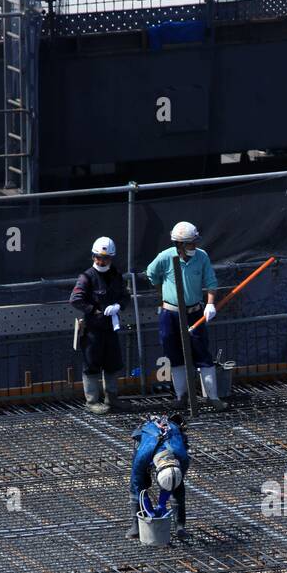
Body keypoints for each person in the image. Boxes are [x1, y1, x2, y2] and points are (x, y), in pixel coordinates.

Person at [145, 221, 225, 408]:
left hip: (194, 312)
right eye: (190, 243)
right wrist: (163, 293)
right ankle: (181, 397)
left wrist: (210, 304)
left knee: (202, 353)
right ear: (179, 244)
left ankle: (213, 397)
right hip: (170, 314)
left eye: (194, 242)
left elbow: (211, 282)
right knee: (174, 354)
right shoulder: (165, 257)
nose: (194, 246)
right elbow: (151, 274)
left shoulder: (201, 257)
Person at [70, 237, 128, 413]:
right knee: (92, 364)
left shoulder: (115, 275)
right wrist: (94, 310)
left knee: (112, 363)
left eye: (106, 258)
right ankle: (92, 401)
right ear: (93, 256)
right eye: (98, 257)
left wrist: (119, 306)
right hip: (93, 330)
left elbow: (125, 296)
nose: (101, 261)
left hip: (111, 328)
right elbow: (75, 300)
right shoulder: (87, 277)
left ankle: (112, 398)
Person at [127, 414, 190, 542]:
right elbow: (136, 484)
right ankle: (135, 526)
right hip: (150, 444)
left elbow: (173, 481)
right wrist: (146, 504)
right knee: (136, 487)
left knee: (178, 487)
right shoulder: (143, 457)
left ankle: (180, 526)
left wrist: (162, 503)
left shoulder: (183, 458)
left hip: (172, 442)